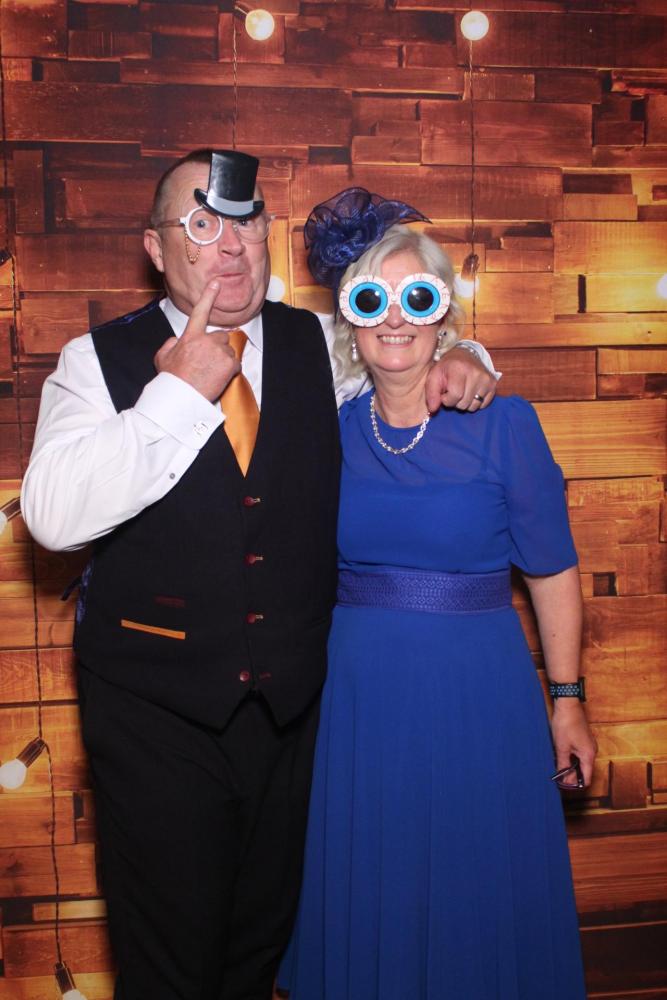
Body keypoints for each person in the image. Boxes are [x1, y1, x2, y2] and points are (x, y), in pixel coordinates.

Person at [19, 151, 498, 1000]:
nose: (231, 245)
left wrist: (467, 356)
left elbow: (403, 346)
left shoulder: (316, 340)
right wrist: (175, 396)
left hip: (287, 717)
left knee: (256, 950)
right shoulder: (95, 359)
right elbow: (52, 517)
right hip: (154, 711)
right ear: (156, 248)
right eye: (201, 225)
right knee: (171, 964)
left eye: (245, 222)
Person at [278, 190, 597, 1000]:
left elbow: (552, 570)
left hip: (477, 697)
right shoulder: (328, 430)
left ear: (441, 311)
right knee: (373, 885)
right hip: (358, 704)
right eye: (371, 300)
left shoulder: (504, 424)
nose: (393, 318)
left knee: (472, 887)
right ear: (348, 317)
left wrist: (566, 701)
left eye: (414, 298)